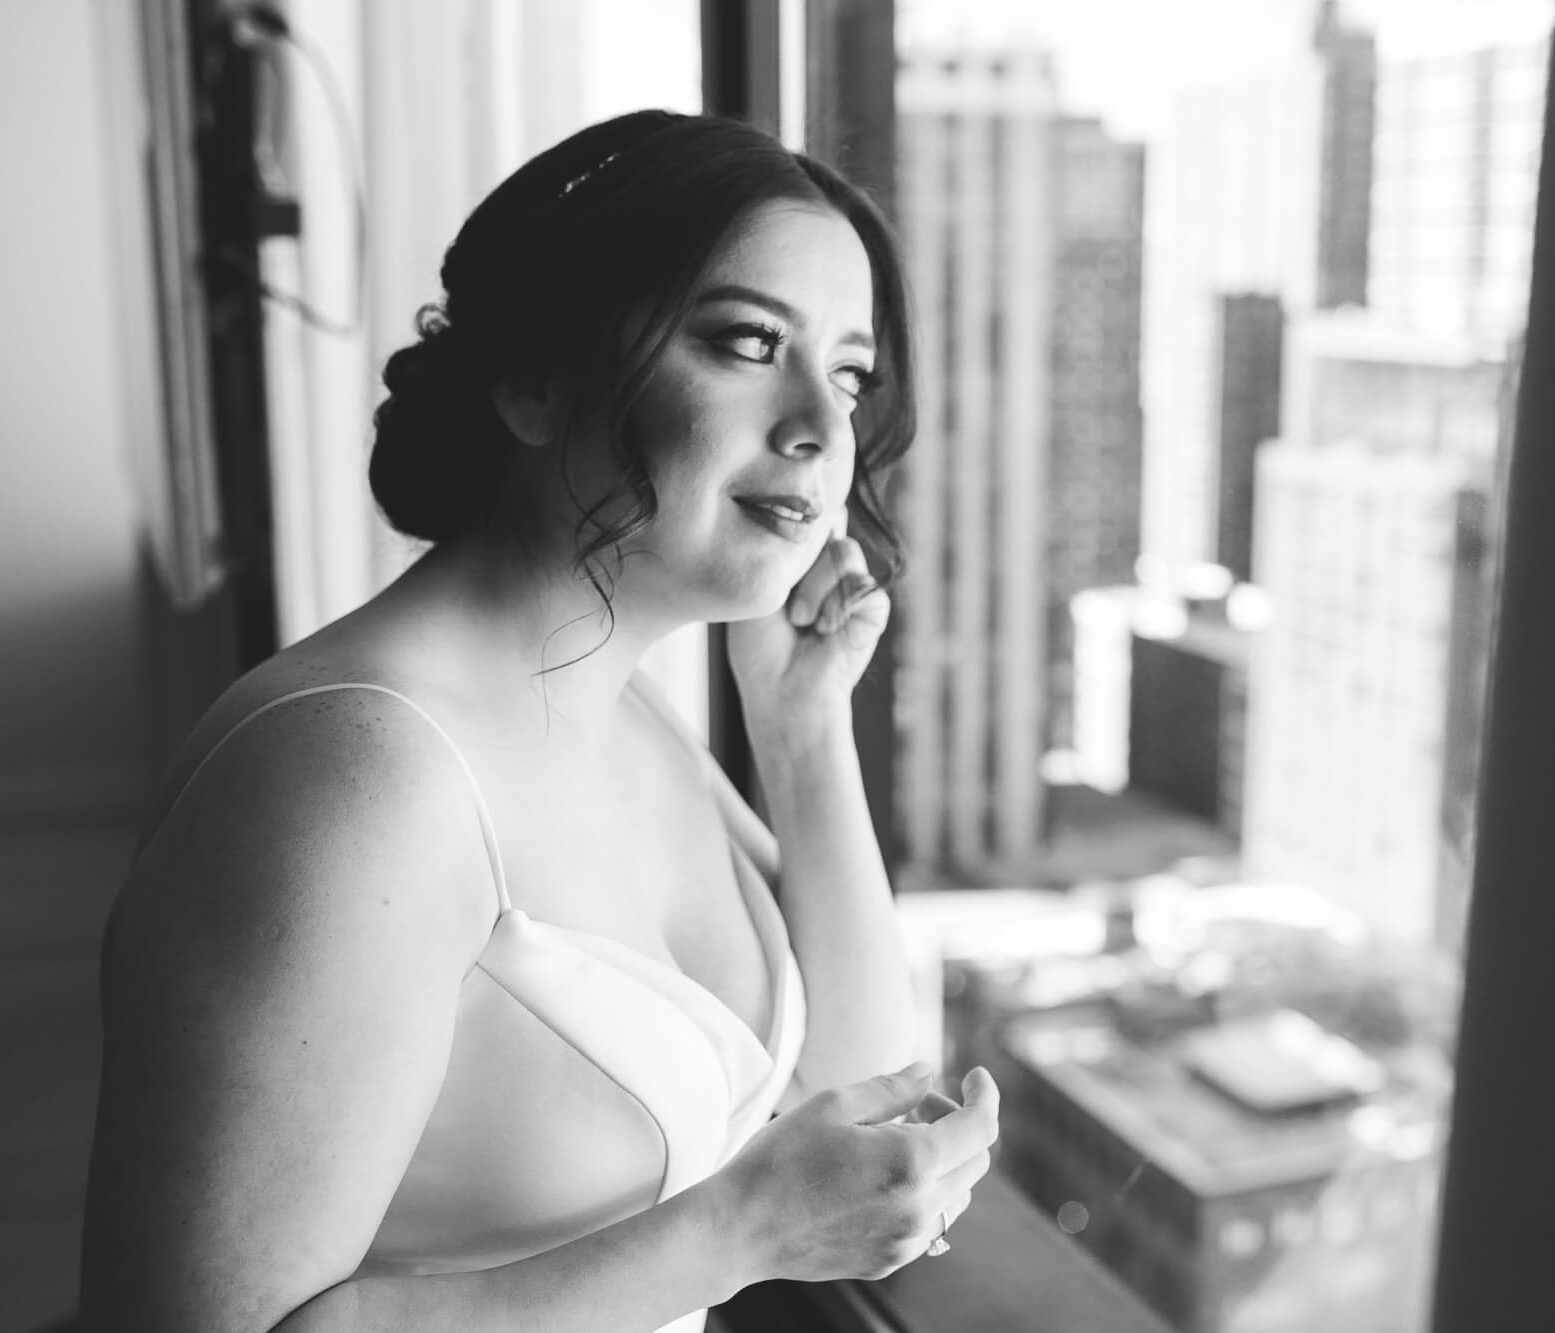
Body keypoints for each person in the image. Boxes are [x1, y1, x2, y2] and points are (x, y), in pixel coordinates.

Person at [78, 109, 1001, 1333]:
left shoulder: (630, 710)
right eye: (745, 343)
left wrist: (801, 727)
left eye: (847, 373)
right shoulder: (354, 778)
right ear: (533, 380)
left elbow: (870, 1108)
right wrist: (733, 1236)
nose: (821, 430)